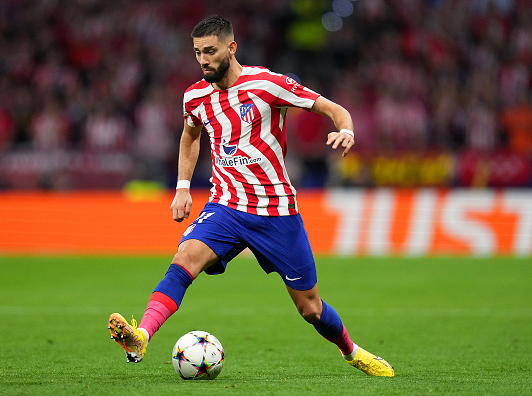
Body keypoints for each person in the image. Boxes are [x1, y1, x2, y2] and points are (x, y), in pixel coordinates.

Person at [108, 15, 394, 377]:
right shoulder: (195, 96)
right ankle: (142, 335)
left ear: (231, 48)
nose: (203, 60)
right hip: (225, 205)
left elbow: (331, 108)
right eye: (197, 53)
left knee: (311, 309)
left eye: (210, 51)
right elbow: (190, 136)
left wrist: (347, 130)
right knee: (185, 259)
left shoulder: (267, 84)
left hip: (277, 212)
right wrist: (182, 187)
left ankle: (351, 351)